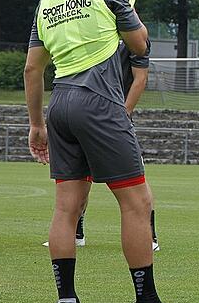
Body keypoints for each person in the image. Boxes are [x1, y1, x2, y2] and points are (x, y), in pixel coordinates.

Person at [24, 0, 174, 303]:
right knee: (137, 203)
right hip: (100, 103)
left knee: (65, 208)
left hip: (60, 105)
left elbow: (31, 69)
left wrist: (36, 124)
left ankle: (68, 302)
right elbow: (139, 45)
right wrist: (129, 12)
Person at [43, 40, 161, 252]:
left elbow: (140, 79)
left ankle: (150, 236)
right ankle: (76, 232)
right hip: (87, 110)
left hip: (113, 115)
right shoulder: (93, 33)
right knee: (79, 176)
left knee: (135, 181)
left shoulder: (135, 35)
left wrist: (123, 114)